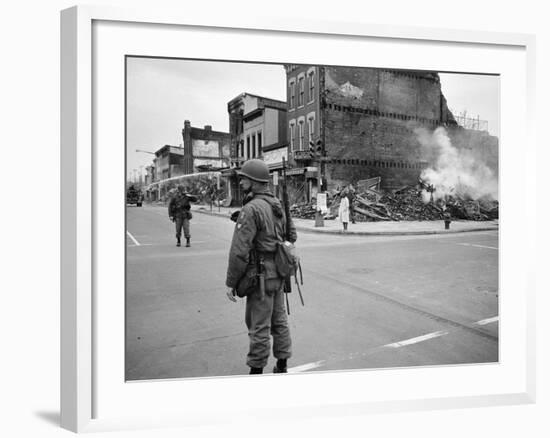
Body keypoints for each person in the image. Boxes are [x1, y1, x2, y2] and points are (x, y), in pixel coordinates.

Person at [225, 159, 297, 375]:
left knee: (259, 326)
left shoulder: (251, 209)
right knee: (280, 321)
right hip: (279, 275)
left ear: (254, 181)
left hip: (261, 277)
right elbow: (291, 236)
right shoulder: (277, 205)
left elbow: (239, 251)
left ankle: (256, 372)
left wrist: (231, 283)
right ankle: (282, 365)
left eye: (244, 178)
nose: (241, 181)